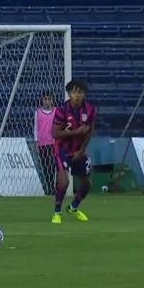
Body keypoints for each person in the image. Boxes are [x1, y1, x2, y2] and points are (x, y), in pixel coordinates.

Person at [51, 80, 95, 224]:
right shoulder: (62, 110)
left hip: (79, 151)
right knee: (64, 182)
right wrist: (76, 132)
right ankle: (57, 212)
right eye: (74, 92)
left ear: (84, 94)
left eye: (80, 92)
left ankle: (73, 207)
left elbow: (90, 131)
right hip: (62, 150)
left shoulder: (90, 109)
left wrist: (82, 150)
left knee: (87, 184)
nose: (77, 95)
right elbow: (55, 134)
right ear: (69, 94)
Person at [34, 92, 57, 195]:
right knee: (45, 166)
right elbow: (35, 128)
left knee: (52, 166)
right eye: (45, 99)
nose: (47, 101)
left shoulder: (56, 112)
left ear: (52, 100)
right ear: (42, 100)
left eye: (49, 99)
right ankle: (49, 187)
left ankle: (52, 187)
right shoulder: (37, 112)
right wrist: (36, 141)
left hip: (53, 143)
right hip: (42, 143)